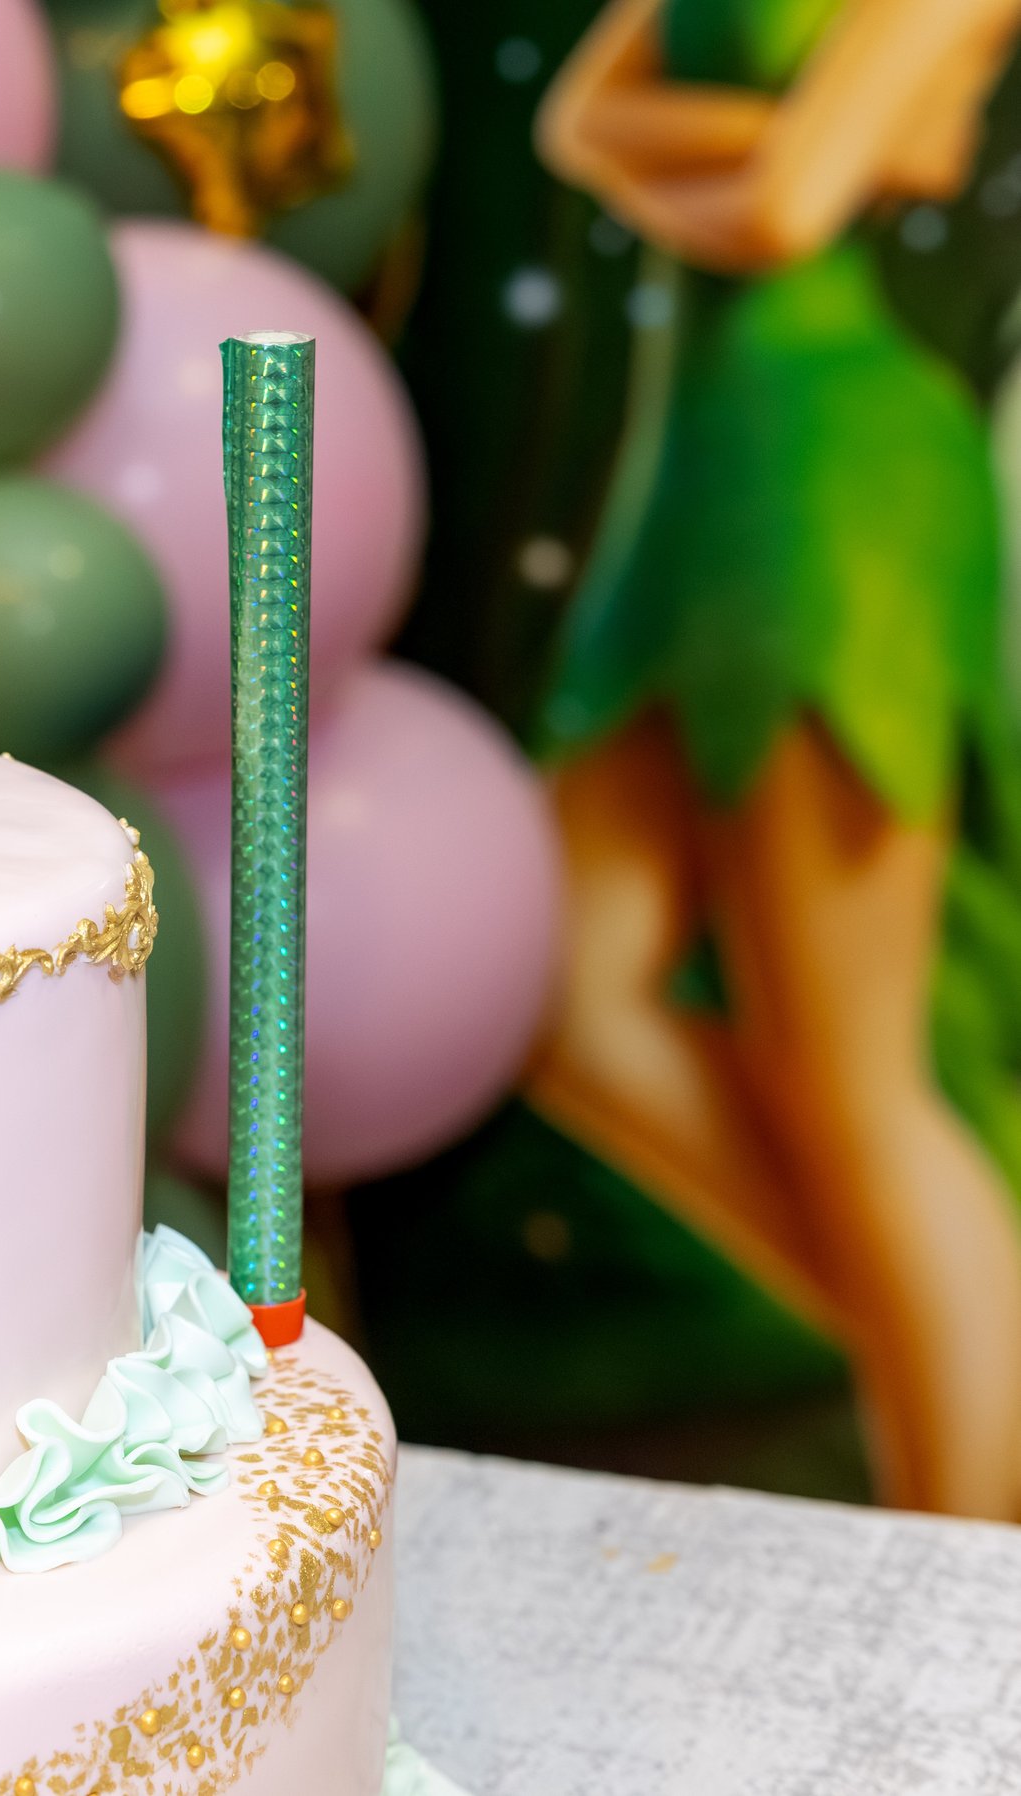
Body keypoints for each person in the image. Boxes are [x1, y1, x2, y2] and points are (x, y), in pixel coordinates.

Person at [533, 0, 1021, 1516]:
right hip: (693, 466)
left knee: (849, 1082)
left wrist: (691, 160)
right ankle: (956, 1349)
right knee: (560, 986)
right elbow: (575, 124)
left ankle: (965, 1563)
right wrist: (766, 147)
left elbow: (791, 208)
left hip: (833, 471)